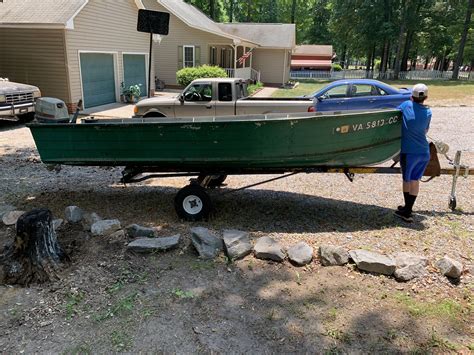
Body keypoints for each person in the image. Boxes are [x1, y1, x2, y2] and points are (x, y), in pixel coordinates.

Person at [395, 83, 432, 222]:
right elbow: (426, 130)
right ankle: (408, 209)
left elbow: (394, 114)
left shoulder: (406, 105)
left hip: (409, 152)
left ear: (412, 96)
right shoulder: (429, 112)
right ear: (426, 97)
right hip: (424, 152)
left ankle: (406, 211)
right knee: (415, 180)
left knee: (406, 179)